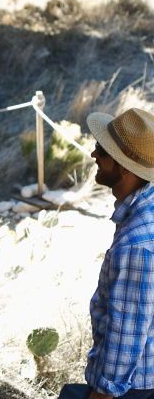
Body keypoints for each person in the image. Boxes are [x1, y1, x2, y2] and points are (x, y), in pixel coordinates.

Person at [59, 108, 154, 399]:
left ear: (125, 168)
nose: (93, 155)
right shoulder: (144, 210)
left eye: (102, 150)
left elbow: (127, 332)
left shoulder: (136, 244)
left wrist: (103, 393)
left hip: (131, 388)